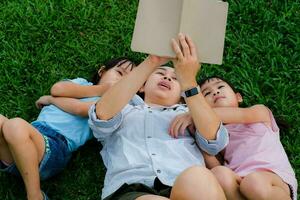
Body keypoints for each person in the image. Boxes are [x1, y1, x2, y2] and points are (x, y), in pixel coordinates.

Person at [88, 34, 229, 200]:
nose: (167, 77)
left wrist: (189, 82)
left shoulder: (188, 114)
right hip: (131, 189)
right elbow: (101, 115)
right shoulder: (124, 109)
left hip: (184, 184)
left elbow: (215, 142)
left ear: (181, 94)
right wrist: (152, 61)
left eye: (176, 78)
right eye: (160, 73)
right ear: (142, 86)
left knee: (199, 177)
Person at [0, 57, 135, 200]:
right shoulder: (82, 84)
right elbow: (57, 89)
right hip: (24, 144)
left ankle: (35, 195)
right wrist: (101, 89)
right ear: (102, 71)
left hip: (55, 146)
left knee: (14, 125)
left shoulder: (110, 104)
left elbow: (79, 109)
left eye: (129, 81)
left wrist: (51, 100)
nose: (121, 82)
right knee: (11, 126)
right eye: (119, 73)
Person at [169, 76, 297, 200]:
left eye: (220, 86)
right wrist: (198, 137)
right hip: (239, 181)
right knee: (219, 173)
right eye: (207, 93)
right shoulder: (218, 135)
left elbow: (243, 116)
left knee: (253, 183)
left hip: (273, 179)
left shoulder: (259, 113)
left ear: (238, 97)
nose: (215, 91)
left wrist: (196, 114)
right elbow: (215, 163)